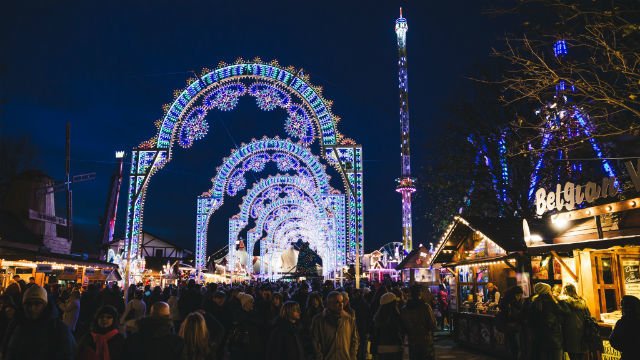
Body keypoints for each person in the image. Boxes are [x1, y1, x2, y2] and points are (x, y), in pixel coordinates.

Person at [1, 285, 75, 360]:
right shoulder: (16, 324)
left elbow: (67, 354)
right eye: (28, 304)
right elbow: (6, 349)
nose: (32, 308)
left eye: (37, 304)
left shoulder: (59, 329)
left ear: (45, 306)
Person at [310, 291, 359, 360]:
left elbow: (354, 339)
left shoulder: (348, 319)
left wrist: (352, 356)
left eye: (342, 302)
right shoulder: (319, 320)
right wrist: (320, 357)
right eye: (337, 302)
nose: (341, 304)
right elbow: (315, 341)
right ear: (329, 303)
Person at [528, 282, 568, 360]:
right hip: (554, 337)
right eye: (549, 290)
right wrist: (560, 301)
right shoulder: (551, 302)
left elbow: (531, 321)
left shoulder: (534, 303)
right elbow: (565, 312)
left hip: (540, 338)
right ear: (546, 291)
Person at [400, 285, 436, 360]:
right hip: (425, 340)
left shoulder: (405, 309)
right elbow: (432, 324)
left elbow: (403, 327)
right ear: (420, 293)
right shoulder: (425, 307)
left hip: (412, 341)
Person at [227, 292, 265, 359]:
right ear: (245, 303)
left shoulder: (254, 312)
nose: (253, 303)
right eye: (251, 302)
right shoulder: (238, 314)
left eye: (253, 302)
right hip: (242, 342)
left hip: (254, 342)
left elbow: (260, 322)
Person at [560, 284, 590, 360]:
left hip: (570, 333)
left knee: (573, 356)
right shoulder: (582, 301)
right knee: (581, 357)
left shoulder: (564, 302)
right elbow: (588, 316)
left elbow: (561, 319)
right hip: (584, 333)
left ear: (565, 291)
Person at [372, 292, 403, 360]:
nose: (397, 304)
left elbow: (375, 335)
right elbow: (399, 331)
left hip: (381, 348)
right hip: (395, 347)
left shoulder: (378, 318)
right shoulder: (396, 316)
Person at [609, 295, 640, 360]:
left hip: (628, 355)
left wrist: (627, 349)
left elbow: (613, 340)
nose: (621, 308)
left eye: (622, 306)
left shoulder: (622, 323)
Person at [497, 286, 524, 359]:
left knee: (512, 343)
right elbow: (510, 315)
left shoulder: (511, 301)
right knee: (514, 344)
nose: (520, 297)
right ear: (514, 294)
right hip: (511, 326)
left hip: (512, 326)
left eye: (520, 295)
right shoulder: (509, 303)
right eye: (518, 295)